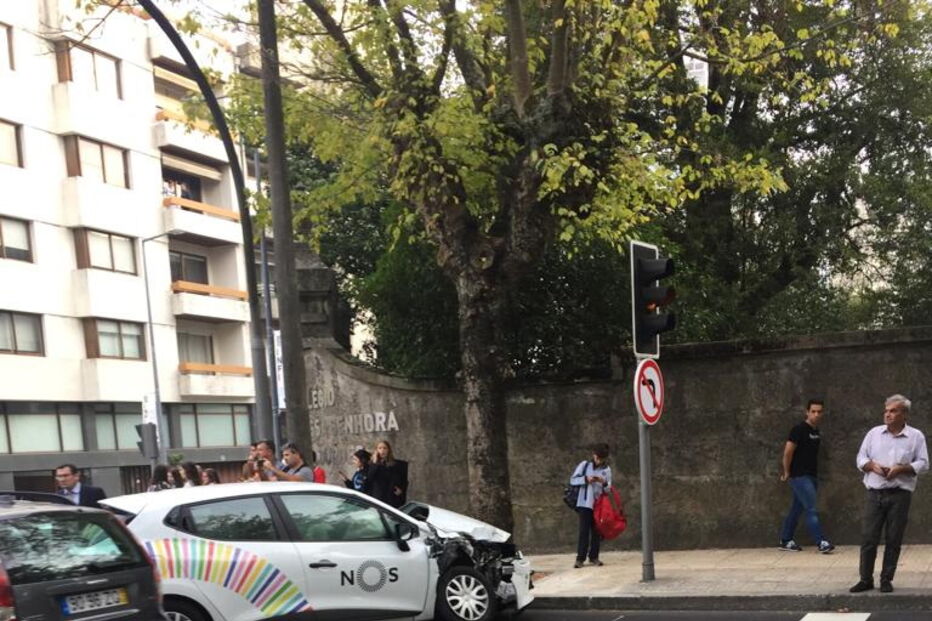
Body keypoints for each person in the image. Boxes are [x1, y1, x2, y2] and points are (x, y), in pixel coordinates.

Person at [850, 394, 929, 594]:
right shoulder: (874, 433)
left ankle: (886, 579)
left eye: (893, 411)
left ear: (904, 414)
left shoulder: (916, 436)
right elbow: (861, 457)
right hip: (875, 493)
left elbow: (923, 463)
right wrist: (871, 466)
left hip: (899, 495)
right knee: (869, 538)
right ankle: (865, 579)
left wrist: (901, 469)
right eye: (886, 410)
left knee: (893, 539)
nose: (888, 414)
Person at [778, 399, 834, 553]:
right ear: (807, 412)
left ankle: (785, 539)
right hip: (799, 476)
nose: (816, 415)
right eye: (813, 411)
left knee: (797, 508)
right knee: (811, 508)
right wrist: (787, 471)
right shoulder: (798, 430)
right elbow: (788, 452)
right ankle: (821, 541)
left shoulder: (816, 431)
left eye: (819, 412)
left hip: (811, 475)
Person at [569, 443, 612, 569]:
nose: (598, 461)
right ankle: (580, 558)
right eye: (597, 457)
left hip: (598, 504)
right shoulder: (584, 465)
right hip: (584, 503)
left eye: (601, 459)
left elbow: (608, 490)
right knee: (584, 531)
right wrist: (586, 479)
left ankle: (594, 556)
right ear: (594, 455)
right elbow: (573, 480)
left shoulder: (606, 470)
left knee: (597, 531)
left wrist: (603, 482)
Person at [367, 440, 408, 507]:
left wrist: (401, 489)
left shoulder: (396, 464)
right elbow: (369, 478)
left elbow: (403, 479)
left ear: (388, 450)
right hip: (378, 498)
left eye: (385, 448)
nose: (382, 450)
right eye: (380, 448)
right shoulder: (372, 464)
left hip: (391, 498)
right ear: (376, 450)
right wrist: (375, 462)